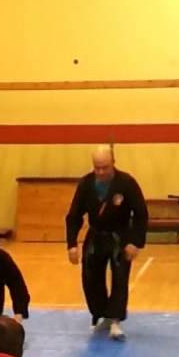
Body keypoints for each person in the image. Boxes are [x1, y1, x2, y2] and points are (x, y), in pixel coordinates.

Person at [65, 145, 148, 341]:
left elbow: (141, 214)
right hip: (96, 235)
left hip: (120, 236)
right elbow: (74, 215)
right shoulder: (86, 184)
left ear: (113, 163)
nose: (101, 172)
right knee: (90, 277)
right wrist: (71, 244)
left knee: (120, 277)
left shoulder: (126, 183)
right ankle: (101, 313)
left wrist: (135, 242)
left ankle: (115, 319)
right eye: (97, 168)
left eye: (105, 167)